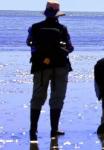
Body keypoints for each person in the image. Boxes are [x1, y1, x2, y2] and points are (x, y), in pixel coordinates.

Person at [26, 0, 74, 141]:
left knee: (37, 98)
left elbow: (29, 43)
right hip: (60, 66)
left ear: (46, 13)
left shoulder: (34, 27)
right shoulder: (63, 29)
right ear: (58, 15)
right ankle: (54, 130)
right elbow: (70, 48)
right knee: (57, 98)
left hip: (40, 66)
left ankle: (33, 131)